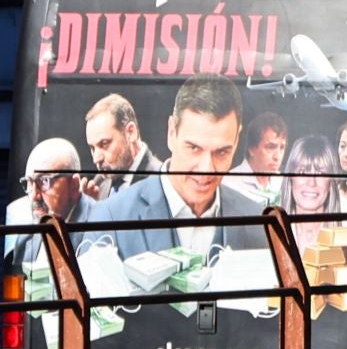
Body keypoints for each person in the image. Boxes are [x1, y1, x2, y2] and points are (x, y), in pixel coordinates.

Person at [87, 76, 265, 259]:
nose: (207, 169)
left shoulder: (260, 223)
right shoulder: (109, 219)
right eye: (194, 148)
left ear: (236, 141)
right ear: (171, 133)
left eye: (222, 152)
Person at [4, 138, 95, 267]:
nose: (35, 196)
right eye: (29, 182)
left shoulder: (100, 228)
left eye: (44, 181)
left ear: (74, 185)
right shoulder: (25, 238)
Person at [81, 94, 162, 201]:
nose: (96, 159)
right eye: (92, 148)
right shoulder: (98, 184)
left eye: (104, 144)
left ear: (130, 133)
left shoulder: (162, 183)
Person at [281, 134, 341, 249]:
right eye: (303, 172)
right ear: (290, 179)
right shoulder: (271, 235)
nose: (311, 183)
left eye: (321, 173)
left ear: (330, 184)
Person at [224, 112, 289, 206]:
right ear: (251, 149)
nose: (277, 156)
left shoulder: (283, 182)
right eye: (271, 147)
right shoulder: (229, 185)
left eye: (282, 148)